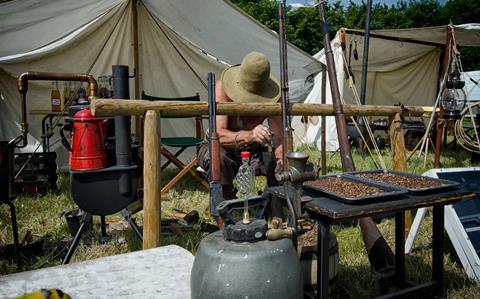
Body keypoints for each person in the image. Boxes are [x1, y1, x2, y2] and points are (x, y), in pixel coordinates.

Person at [197, 51, 284, 200]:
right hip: (220, 147)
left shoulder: (274, 98)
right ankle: (225, 208)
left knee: (278, 163)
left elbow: (280, 139)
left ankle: (272, 205)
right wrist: (250, 135)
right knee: (219, 158)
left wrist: (281, 158)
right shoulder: (221, 89)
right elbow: (218, 135)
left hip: (252, 151)